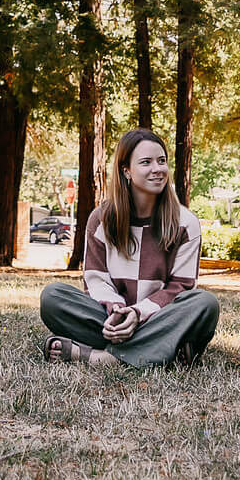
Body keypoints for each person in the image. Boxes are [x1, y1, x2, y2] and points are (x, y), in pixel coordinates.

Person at [42, 130, 219, 370]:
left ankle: (102, 358)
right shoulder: (101, 218)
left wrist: (139, 313)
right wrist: (118, 311)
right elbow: (96, 280)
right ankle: (161, 350)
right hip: (111, 319)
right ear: (126, 170)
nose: (157, 169)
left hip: (160, 318)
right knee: (53, 297)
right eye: (146, 162)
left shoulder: (186, 223)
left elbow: (181, 287)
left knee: (205, 303)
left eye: (162, 161)